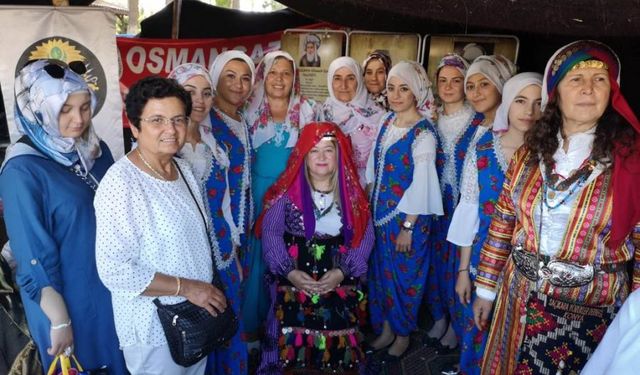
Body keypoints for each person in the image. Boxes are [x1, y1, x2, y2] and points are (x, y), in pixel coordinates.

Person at [472, 40, 640, 374]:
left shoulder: (630, 161)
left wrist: (635, 325)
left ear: (612, 92)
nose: (588, 89)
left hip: (588, 313)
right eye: (575, 79)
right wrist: (486, 289)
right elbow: (503, 223)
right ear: (556, 92)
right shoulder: (528, 155)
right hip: (517, 298)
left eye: (600, 79)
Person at [95, 76, 228, 375]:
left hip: (195, 319)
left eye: (178, 119)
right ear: (134, 126)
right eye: (157, 120)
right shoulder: (121, 184)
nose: (170, 129)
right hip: (154, 329)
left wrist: (198, 292)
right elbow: (114, 270)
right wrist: (187, 288)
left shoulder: (181, 169)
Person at [0, 59, 126, 373]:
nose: (78, 119)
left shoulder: (95, 151)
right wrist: (58, 319)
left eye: (84, 107)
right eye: (65, 110)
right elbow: (32, 254)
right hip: (66, 299)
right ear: (38, 109)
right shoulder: (21, 170)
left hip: (115, 288)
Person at [255, 122, 374, 374]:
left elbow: (365, 236)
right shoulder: (287, 195)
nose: (321, 157)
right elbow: (272, 232)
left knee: (337, 342)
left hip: (339, 282)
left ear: (339, 154)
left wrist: (342, 272)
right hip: (295, 282)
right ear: (304, 155)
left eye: (328, 150)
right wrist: (289, 272)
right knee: (288, 337)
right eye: (313, 150)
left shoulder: (352, 196)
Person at [448, 72, 543, 374]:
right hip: (482, 259)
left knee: (517, 335)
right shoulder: (484, 148)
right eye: (520, 101)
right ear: (507, 104)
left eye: (539, 103)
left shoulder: (552, 156)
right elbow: (469, 209)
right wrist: (463, 270)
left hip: (529, 267)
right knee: (477, 326)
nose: (529, 112)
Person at [168, 63, 247, 375]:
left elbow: (226, 205)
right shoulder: (165, 149)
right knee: (201, 330)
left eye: (206, 93)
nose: (199, 101)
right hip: (190, 262)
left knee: (229, 323)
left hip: (224, 255)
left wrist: (235, 251)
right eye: (190, 93)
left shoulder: (214, 143)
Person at [366, 61, 444, 361]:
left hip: (405, 222)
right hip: (381, 218)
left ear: (417, 92)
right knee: (382, 277)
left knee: (405, 278)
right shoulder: (387, 123)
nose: (396, 95)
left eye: (404, 89)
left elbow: (422, 185)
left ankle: (402, 334)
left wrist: (408, 227)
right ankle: (386, 328)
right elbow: (375, 169)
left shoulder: (423, 133)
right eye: (391, 89)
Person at [243, 51, 317, 345]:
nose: (279, 79)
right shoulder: (248, 111)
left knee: (290, 258)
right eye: (273, 73)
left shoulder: (308, 111)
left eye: (286, 73)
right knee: (258, 258)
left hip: (294, 195)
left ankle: (284, 328)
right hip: (258, 195)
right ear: (263, 76)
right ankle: (252, 325)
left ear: (294, 78)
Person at [424, 53, 477, 352]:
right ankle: (439, 317)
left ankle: (457, 326)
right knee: (433, 264)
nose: (448, 87)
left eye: (456, 81)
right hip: (435, 206)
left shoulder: (476, 120)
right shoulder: (430, 118)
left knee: (459, 266)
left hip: (461, 206)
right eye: (442, 81)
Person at [208, 50, 255, 286]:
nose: (239, 85)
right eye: (230, 76)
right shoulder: (207, 122)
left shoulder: (242, 119)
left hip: (242, 216)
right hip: (218, 220)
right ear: (215, 79)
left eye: (245, 78)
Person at [320, 56, 385, 186]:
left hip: (366, 188)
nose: (343, 85)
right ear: (330, 81)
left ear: (359, 81)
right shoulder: (320, 113)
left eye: (350, 78)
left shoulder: (378, 115)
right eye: (337, 78)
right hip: (329, 188)